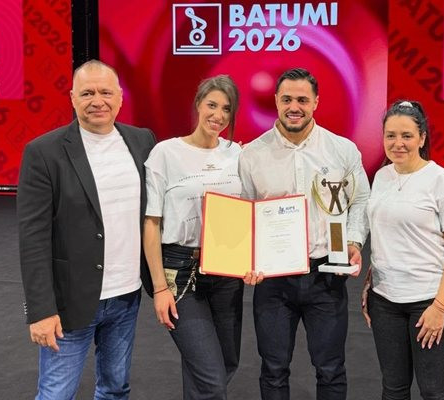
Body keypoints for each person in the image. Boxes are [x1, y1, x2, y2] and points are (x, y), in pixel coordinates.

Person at [17, 59, 156, 400]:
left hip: (127, 295)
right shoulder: (43, 152)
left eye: (106, 92)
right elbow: (32, 239)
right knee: (56, 394)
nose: (98, 101)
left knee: (115, 388)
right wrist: (41, 311)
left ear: (120, 97)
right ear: (72, 98)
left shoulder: (142, 141)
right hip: (69, 301)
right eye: (87, 93)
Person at [239, 68, 370, 400]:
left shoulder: (342, 150)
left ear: (315, 102)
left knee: (330, 369)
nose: (294, 107)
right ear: (276, 101)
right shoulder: (252, 154)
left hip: (326, 275)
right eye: (287, 99)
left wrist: (353, 240)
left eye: (302, 100)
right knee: (273, 369)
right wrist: (245, 259)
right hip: (273, 280)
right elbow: (244, 213)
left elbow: (360, 199)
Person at [143, 75, 261, 400]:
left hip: (227, 270)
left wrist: (253, 259)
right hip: (181, 271)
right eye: (212, 105)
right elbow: (151, 223)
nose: (218, 115)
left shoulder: (236, 154)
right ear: (198, 104)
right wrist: (159, 288)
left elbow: (249, 212)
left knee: (224, 364)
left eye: (227, 109)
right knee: (210, 378)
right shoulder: (166, 153)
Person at [362, 100, 444, 400]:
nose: (397, 143)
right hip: (384, 302)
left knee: (433, 391)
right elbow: (388, 234)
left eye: (407, 136)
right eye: (390, 135)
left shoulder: (441, 180)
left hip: (427, 302)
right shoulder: (382, 177)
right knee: (393, 390)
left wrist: (440, 307)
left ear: (422, 138)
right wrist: (371, 281)